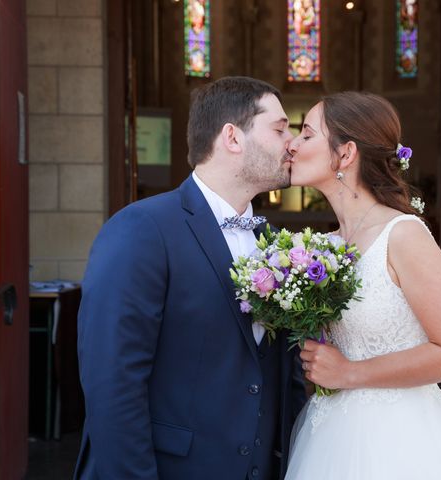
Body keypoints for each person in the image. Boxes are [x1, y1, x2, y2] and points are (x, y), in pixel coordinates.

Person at [74, 77, 306, 480]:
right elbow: (113, 385)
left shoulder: (272, 244)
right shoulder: (142, 229)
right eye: (280, 128)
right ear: (232, 137)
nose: (292, 143)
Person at [284, 91, 441, 479]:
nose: (291, 146)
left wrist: (349, 373)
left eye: (306, 134)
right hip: (331, 435)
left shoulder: (403, 234)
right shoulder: (325, 248)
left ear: (345, 154)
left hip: (399, 440)